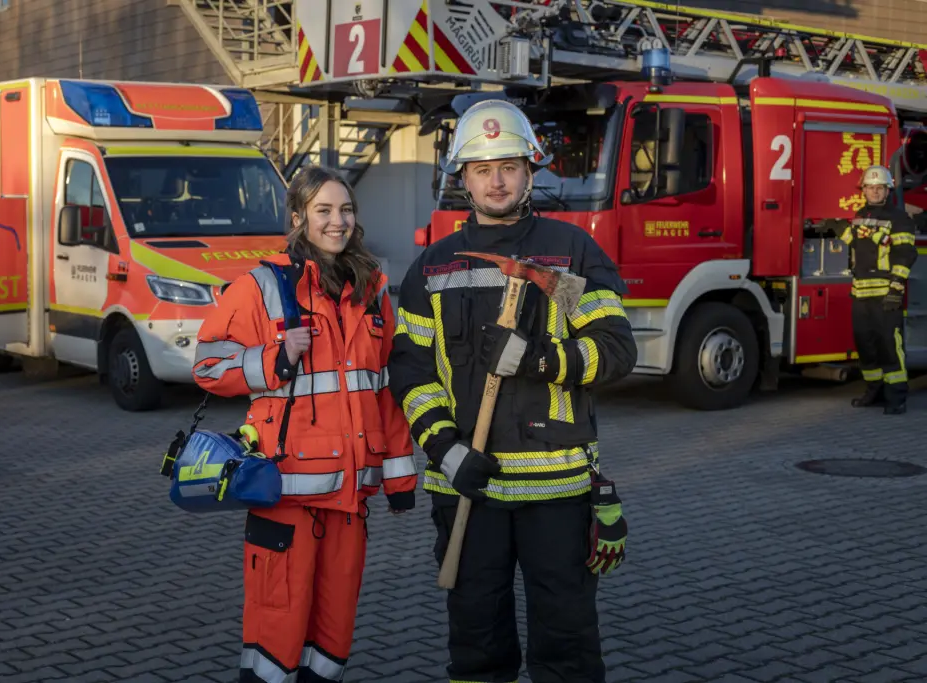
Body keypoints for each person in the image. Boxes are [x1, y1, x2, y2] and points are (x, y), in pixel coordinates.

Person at [387, 99, 638, 683]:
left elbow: (617, 350)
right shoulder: (433, 268)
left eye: (508, 166)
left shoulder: (570, 255)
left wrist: (541, 359)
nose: (496, 180)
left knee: (567, 646)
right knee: (477, 647)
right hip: (469, 489)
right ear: (463, 179)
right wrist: (446, 451)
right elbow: (410, 372)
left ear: (531, 170)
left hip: (559, 490)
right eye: (482, 168)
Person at [191, 165, 418, 683]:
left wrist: (401, 479)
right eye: (323, 210)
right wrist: (273, 358)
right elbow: (207, 364)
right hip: (286, 497)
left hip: (349, 500)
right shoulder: (262, 286)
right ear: (297, 218)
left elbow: (388, 391)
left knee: (333, 637)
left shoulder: (374, 289)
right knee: (277, 633)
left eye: (346, 210)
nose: (337, 222)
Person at [842, 165, 918, 415]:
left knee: (889, 346)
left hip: (886, 293)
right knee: (866, 345)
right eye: (870, 187)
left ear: (887, 190)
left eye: (879, 188)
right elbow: (849, 243)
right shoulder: (860, 215)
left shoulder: (899, 219)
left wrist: (896, 288)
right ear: (863, 190)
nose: (874, 191)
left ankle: (896, 397)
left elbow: (905, 254)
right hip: (861, 294)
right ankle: (873, 390)